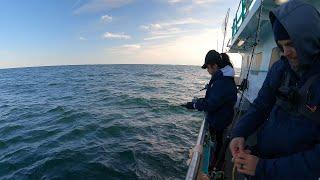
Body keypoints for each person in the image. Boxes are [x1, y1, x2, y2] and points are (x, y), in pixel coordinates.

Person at [229, 0, 320, 179]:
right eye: (281, 45)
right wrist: (239, 133)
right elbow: (261, 105)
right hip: (263, 161)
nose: (285, 52)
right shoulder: (281, 68)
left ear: (309, 38)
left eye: (292, 44)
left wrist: (263, 168)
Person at [183, 50, 237, 173]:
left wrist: (195, 104)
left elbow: (211, 104)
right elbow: (214, 99)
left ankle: (218, 166)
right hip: (223, 116)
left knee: (219, 142)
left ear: (214, 66)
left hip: (220, 119)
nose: (207, 71)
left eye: (208, 67)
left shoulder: (222, 82)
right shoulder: (222, 78)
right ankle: (219, 162)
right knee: (218, 140)